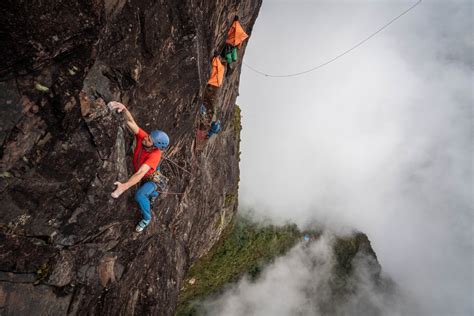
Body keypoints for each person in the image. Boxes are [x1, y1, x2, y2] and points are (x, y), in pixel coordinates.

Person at [109, 101, 169, 232]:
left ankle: (147, 218)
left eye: (149, 140)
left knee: (139, 195)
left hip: (151, 179)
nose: (145, 139)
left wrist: (123, 187)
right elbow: (131, 123)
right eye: (148, 137)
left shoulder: (155, 155)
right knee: (145, 188)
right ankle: (152, 194)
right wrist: (124, 109)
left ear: (155, 147)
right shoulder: (146, 139)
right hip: (147, 173)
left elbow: (140, 173)